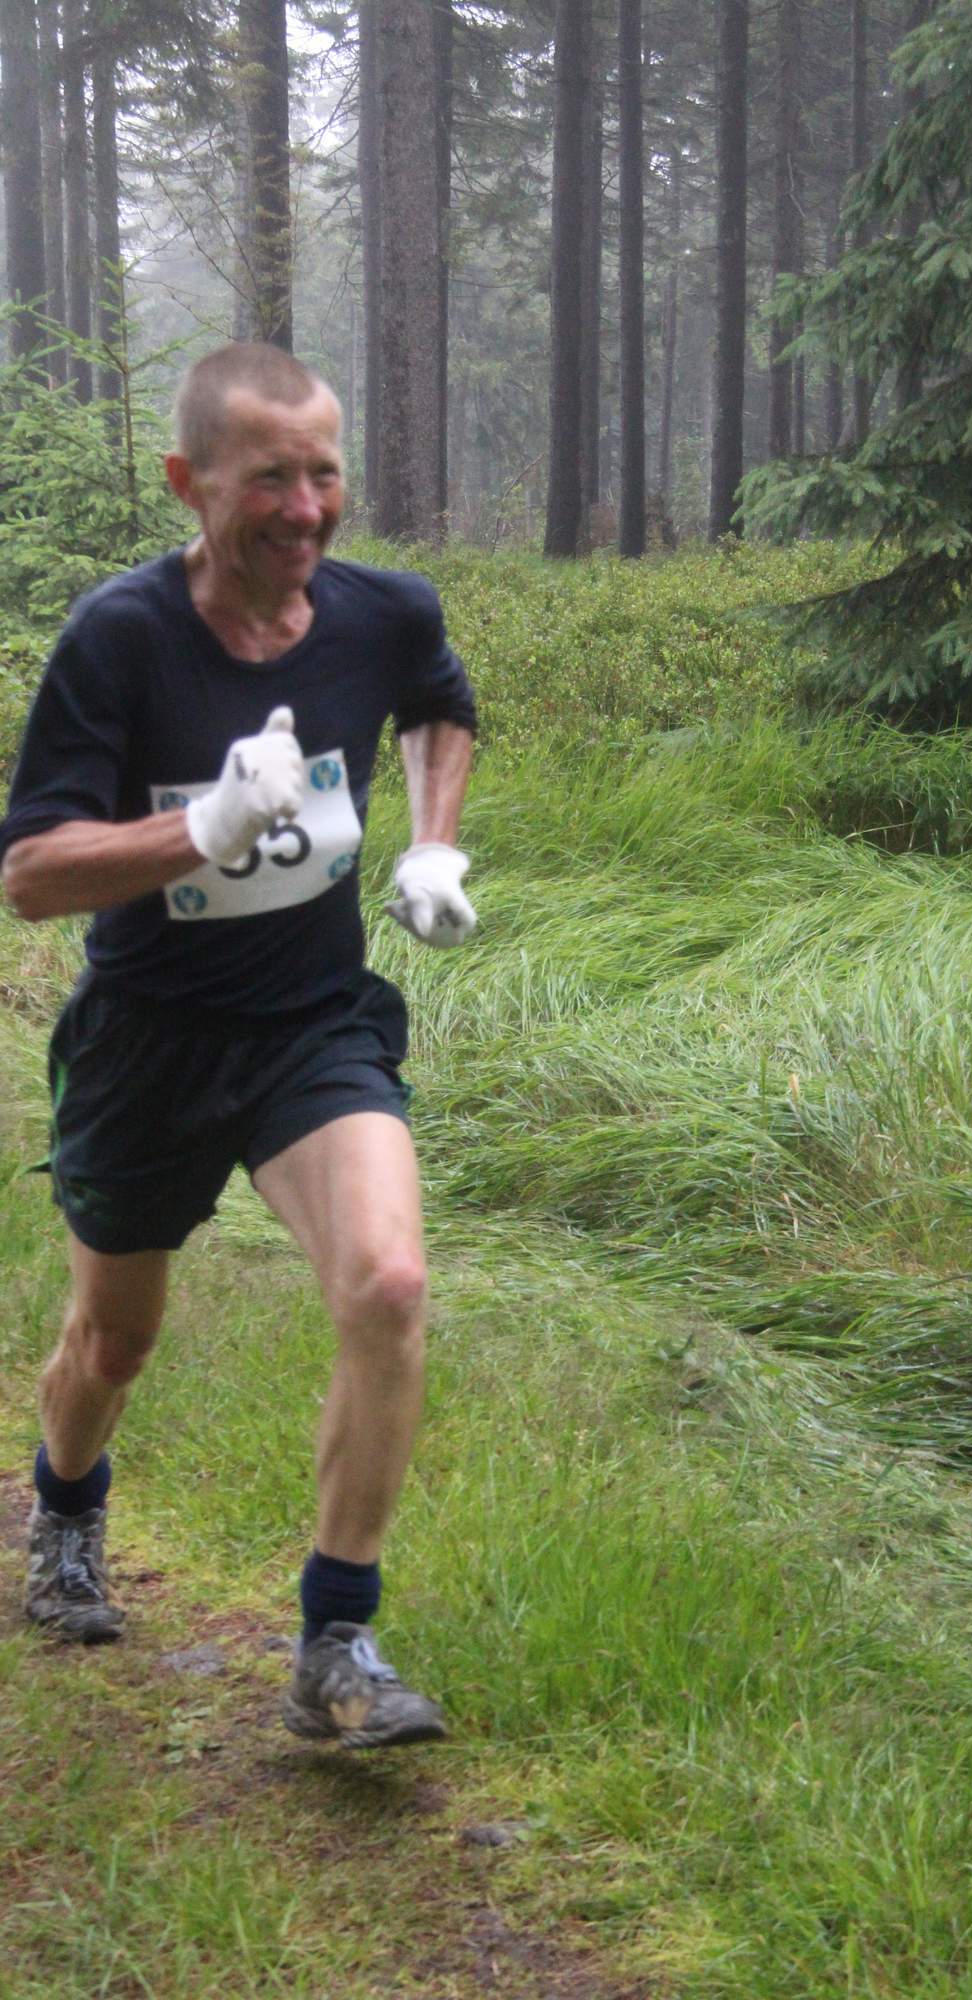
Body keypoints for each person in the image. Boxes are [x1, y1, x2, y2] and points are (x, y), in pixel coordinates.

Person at [0, 342, 478, 1751]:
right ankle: (65, 1510)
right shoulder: (120, 637)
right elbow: (31, 875)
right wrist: (200, 827)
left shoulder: (384, 611)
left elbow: (439, 703)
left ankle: (335, 1644)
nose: (305, 506)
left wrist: (433, 842)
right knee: (115, 1340)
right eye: (270, 477)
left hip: (311, 1025)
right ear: (188, 483)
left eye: (324, 472)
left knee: (389, 1282)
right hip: (148, 1041)